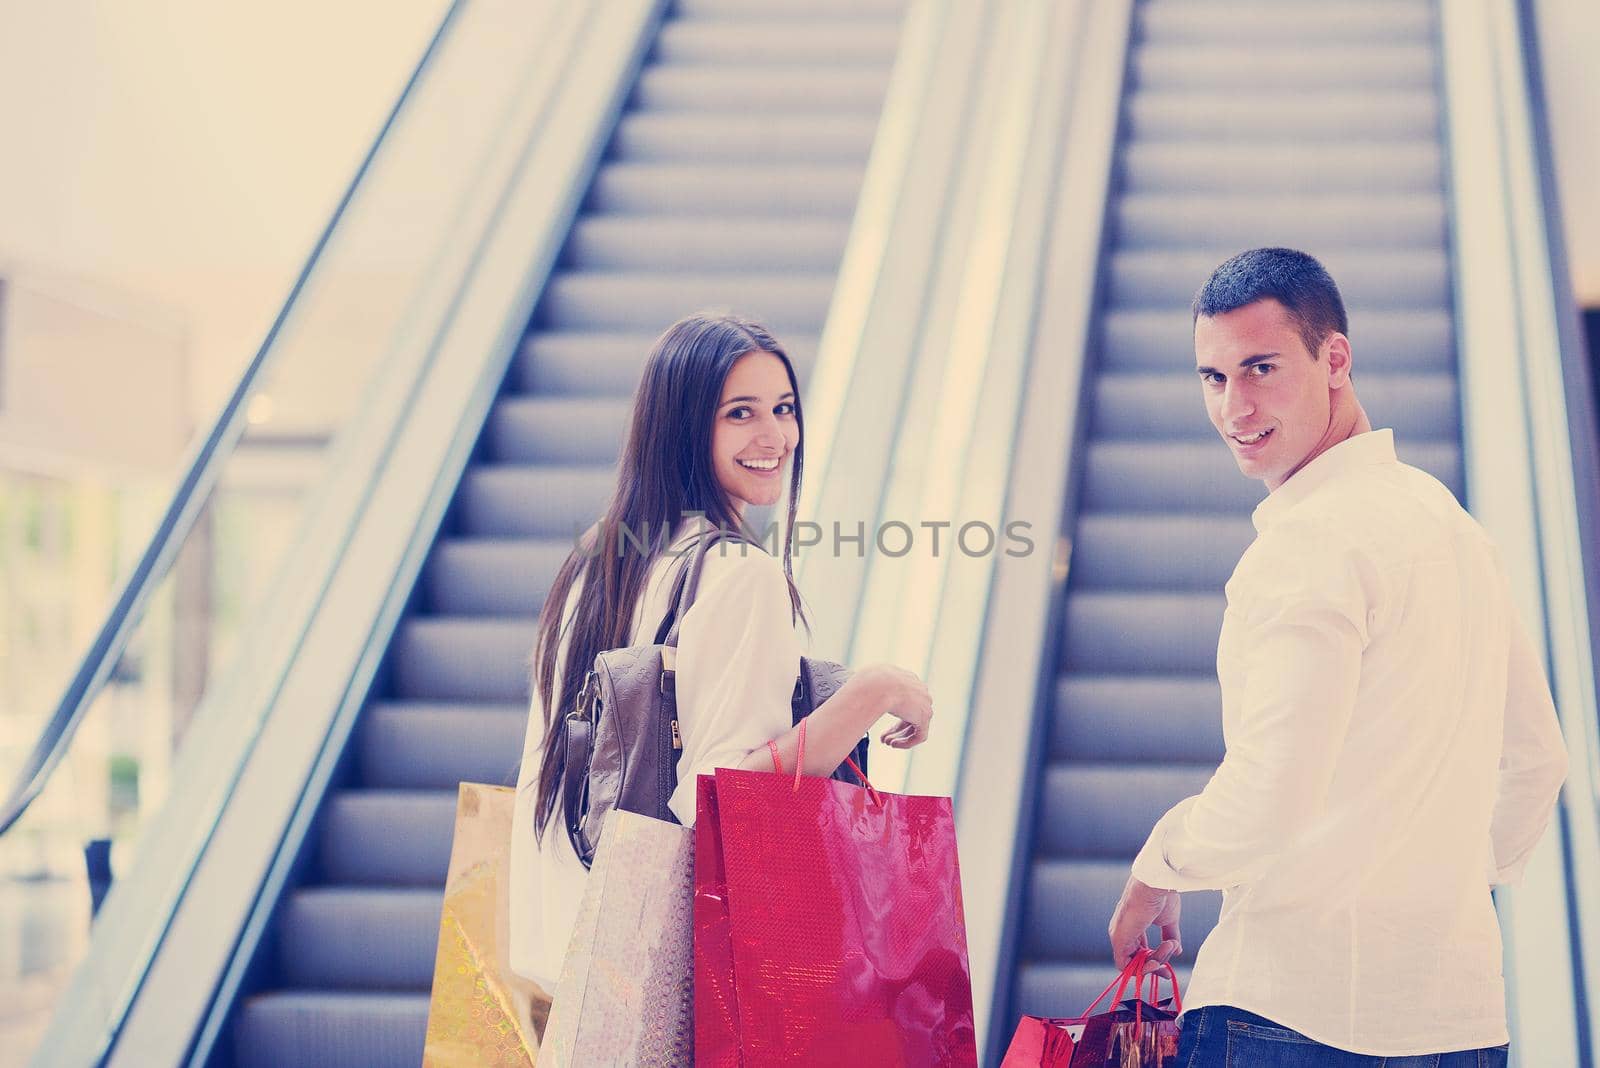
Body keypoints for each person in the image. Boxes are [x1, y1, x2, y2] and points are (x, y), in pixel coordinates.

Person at [1105, 249, 1569, 1064]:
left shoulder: (1307, 543)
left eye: (1261, 368)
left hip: (1286, 1014)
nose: (1234, 407)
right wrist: (1424, 876)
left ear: (1336, 359)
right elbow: (1537, 762)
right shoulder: (1453, 527)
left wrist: (1159, 865)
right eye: (1213, 378)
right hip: (1459, 1025)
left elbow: (1270, 796)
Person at [508, 312, 934, 990]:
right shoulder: (738, 574)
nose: (775, 437)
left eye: (784, 409)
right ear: (683, 428)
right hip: (677, 983)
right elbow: (727, 802)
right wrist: (873, 692)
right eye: (741, 413)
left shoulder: (599, 561)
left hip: (574, 968)